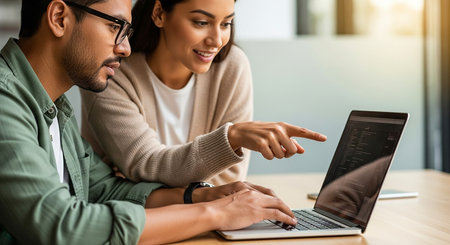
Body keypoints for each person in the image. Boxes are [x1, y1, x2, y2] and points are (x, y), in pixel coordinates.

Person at [0, 0, 306, 244]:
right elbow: (63, 225)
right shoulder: (5, 101)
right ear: (59, 18)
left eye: (127, 32)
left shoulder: (55, 107)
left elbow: (105, 189)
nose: (125, 48)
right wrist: (213, 213)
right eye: (114, 26)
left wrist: (199, 195)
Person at [80, 0, 328, 187]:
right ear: (159, 14)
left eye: (226, 23)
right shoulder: (112, 72)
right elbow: (145, 163)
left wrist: (155, 186)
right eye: (201, 22)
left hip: (207, 227)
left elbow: (229, 180)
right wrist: (231, 138)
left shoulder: (232, 66)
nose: (216, 39)